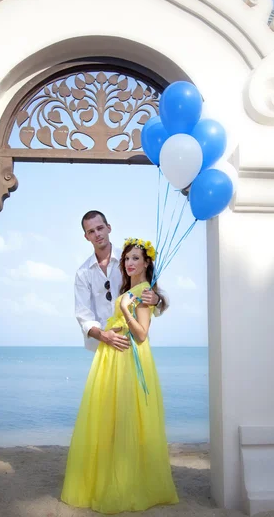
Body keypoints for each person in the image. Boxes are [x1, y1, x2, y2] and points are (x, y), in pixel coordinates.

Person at [61, 237, 179, 512]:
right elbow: (83, 313)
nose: (129, 262)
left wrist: (148, 300)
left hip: (128, 355)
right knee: (108, 416)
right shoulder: (86, 273)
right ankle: (109, 475)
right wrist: (106, 332)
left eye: (135, 259)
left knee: (128, 417)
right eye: (128, 259)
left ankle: (127, 480)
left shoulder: (135, 281)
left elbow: (145, 324)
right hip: (110, 353)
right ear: (86, 235)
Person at [75, 210, 162, 352]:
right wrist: (104, 336)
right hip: (102, 348)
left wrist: (156, 300)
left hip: (132, 343)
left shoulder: (131, 259)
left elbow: (151, 295)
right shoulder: (82, 273)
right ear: (86, 236)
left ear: (109, 227)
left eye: (100, 228)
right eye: (91, 231)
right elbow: (83, 316)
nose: (97, 234)